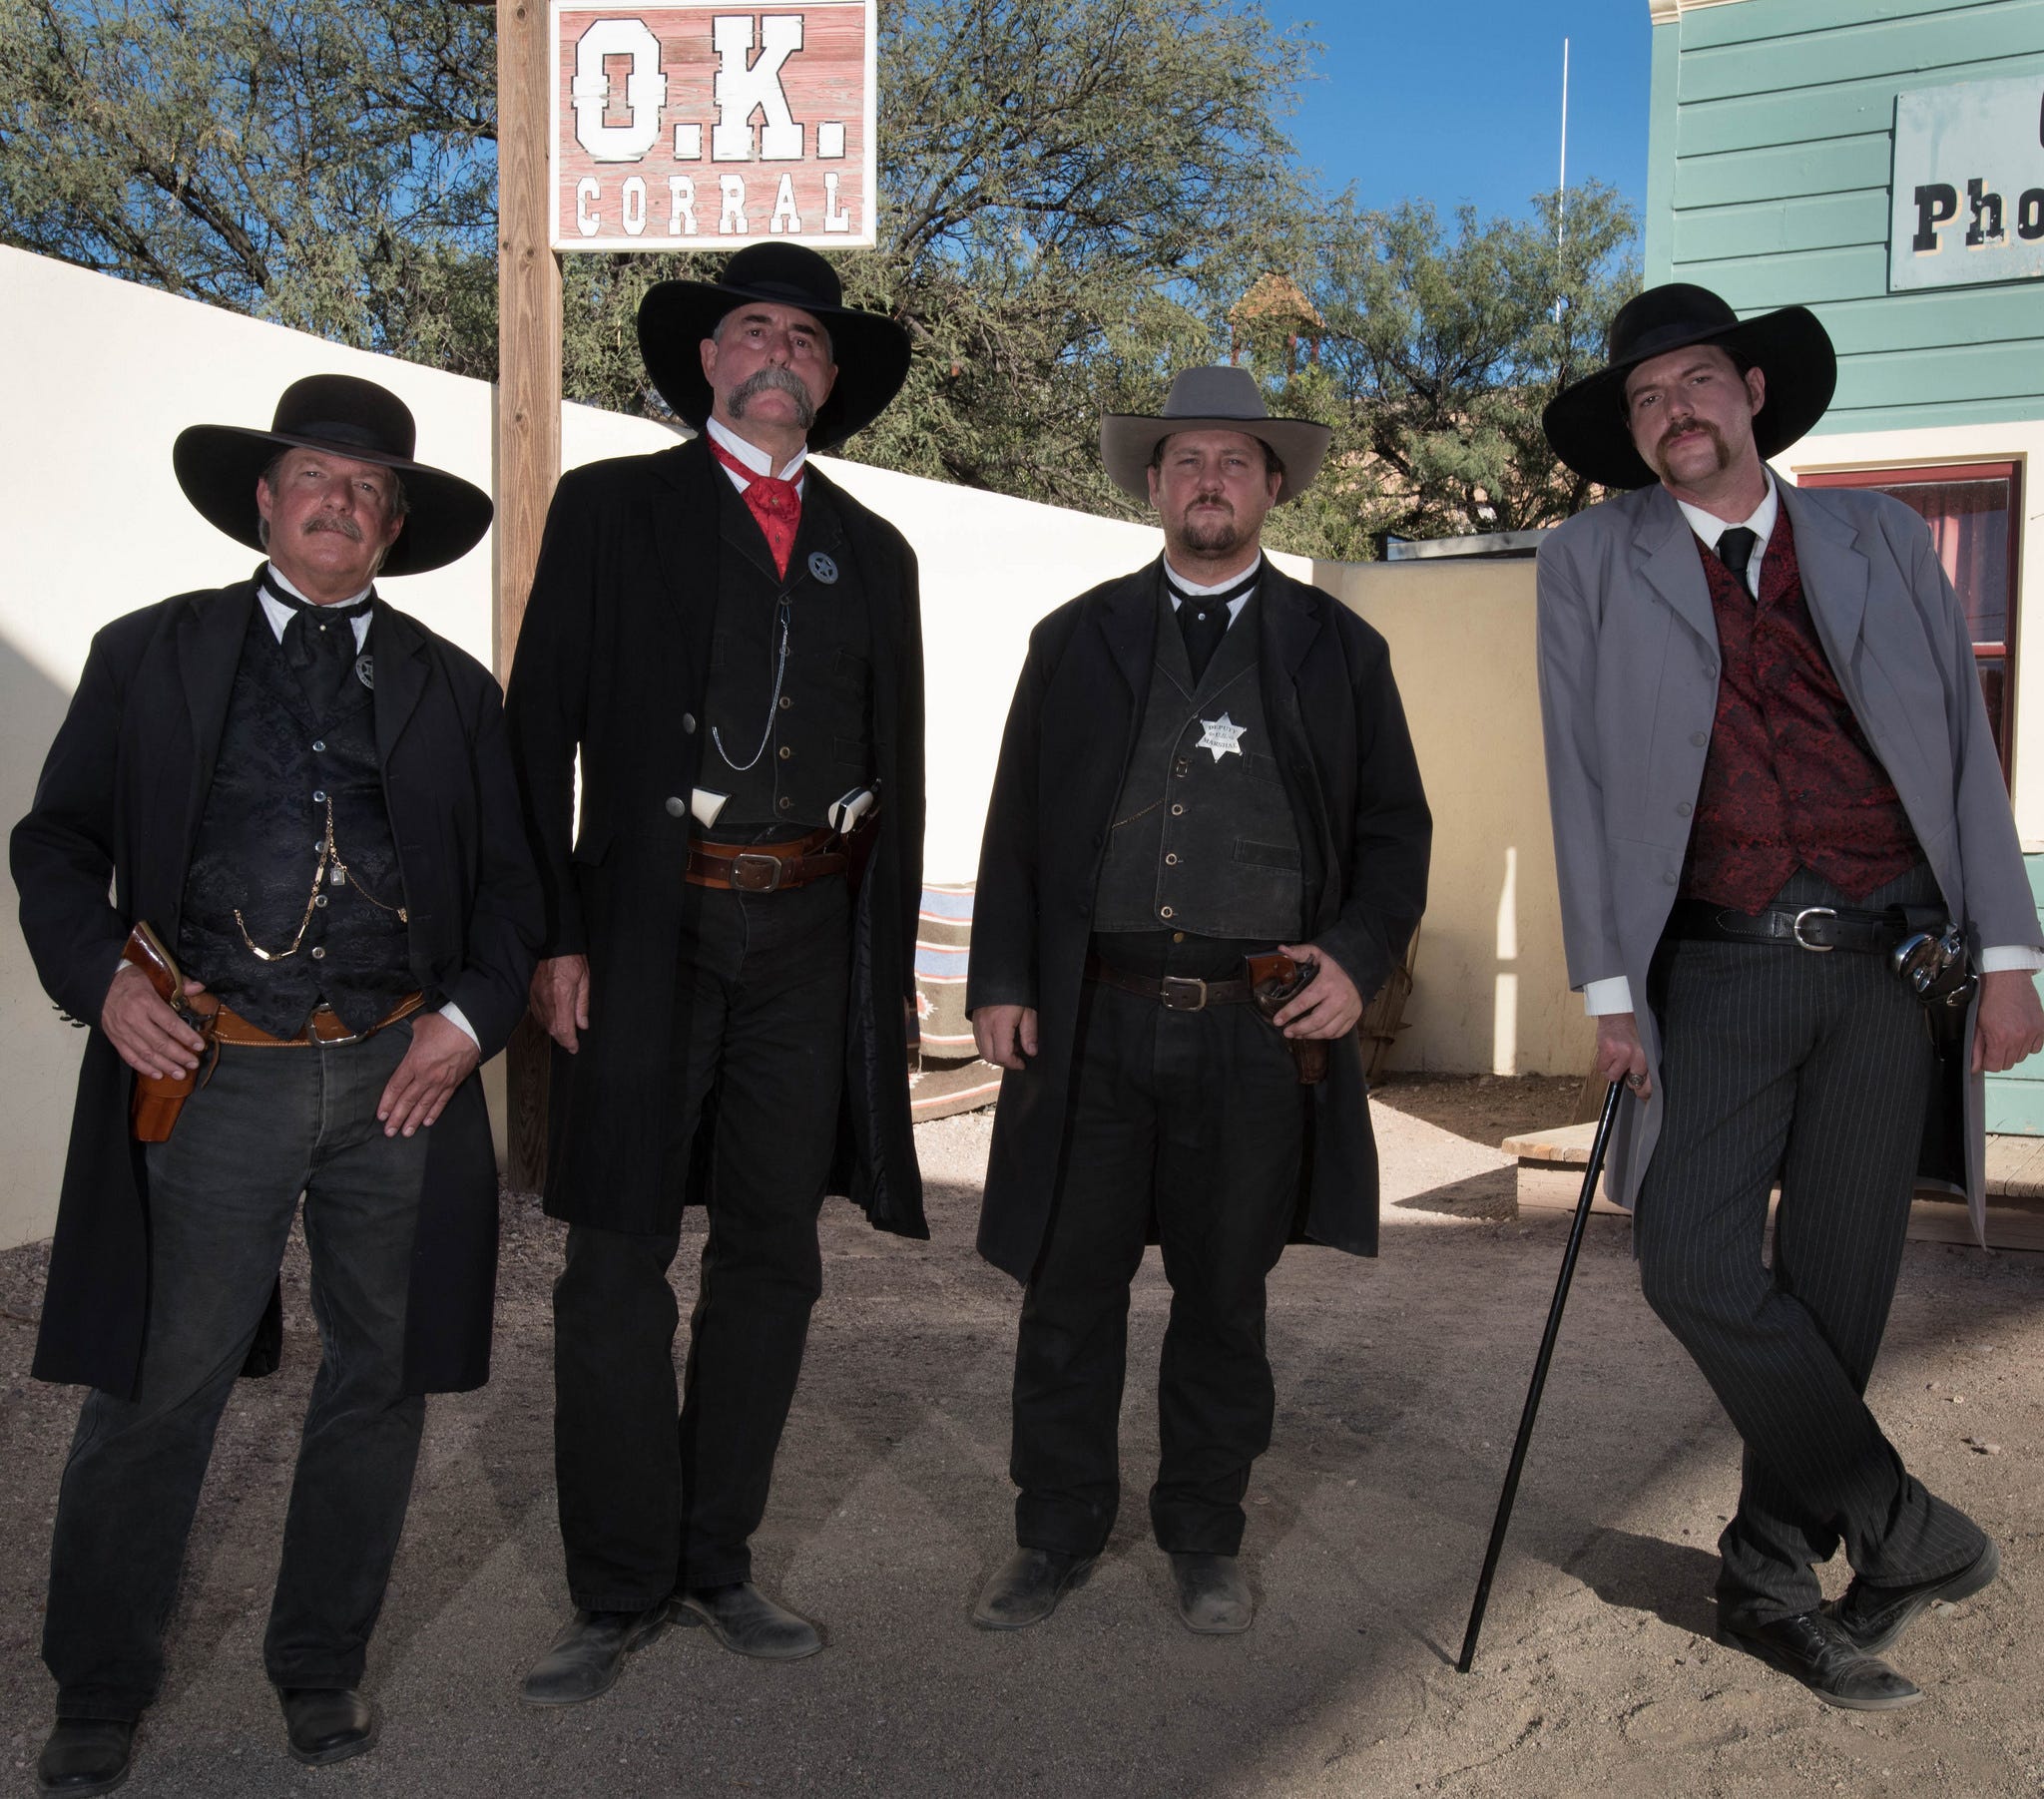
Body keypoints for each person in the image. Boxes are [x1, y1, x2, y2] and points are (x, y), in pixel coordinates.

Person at [12, 374, 541, 1793]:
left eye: (370, 489)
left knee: (380, 1380)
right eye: (316, 475)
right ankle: (100, 1686)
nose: (339, 503)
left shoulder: (453, 689)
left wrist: (467, 1024)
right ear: (263, 496)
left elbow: (513, 888)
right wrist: (105, 982)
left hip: (399, 1075)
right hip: (213, 1072)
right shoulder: (150, 654)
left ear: (395, 524)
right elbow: (55, 844)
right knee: (159, 1382)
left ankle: (319, 1662)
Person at [1536, 282, 2044, 1710]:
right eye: (1645, 398)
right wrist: (1609, 989)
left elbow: (1962, 749)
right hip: (1719, 959)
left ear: (1751, 391)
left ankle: (1767, 1578)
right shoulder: (1589, 559)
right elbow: (1578, 778)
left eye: (1695, 380)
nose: (1673, 412)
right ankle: (1906, 1525)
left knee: (1836, 1288)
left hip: (1893, 963)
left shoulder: (1879, 535)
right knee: (1689, 1258)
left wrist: (2010, 958)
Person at [506, 242, 925, 1701]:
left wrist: (884, 969)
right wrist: (553, 934)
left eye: (804, 339)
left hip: (809, 933)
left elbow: (902, 769)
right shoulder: (609, 508)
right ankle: (618, 1583)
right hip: (646, 931)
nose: (777, 354)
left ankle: (716, 1559)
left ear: (830, 375)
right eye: (753, 329)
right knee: (615, 1257)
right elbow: (536, 737)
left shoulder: (875, 548)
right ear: (706, 358)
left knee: (773, 1256)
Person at [964, 366, 1430, 1635]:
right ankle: (1054, 1531)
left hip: (1253, 1029)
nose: (1208, 481)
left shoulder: (1340, 649)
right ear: (1153, 485)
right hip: (1091, 1016)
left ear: (1271, 487)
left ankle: (1203, 1534)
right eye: (1185, 461)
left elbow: (1394, 831)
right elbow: (1015, 822)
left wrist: (1354, 958)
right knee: (1068, 1288)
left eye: (1233, 461)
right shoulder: (1073, 639)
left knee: (1225, 1294)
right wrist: (1000, 978)